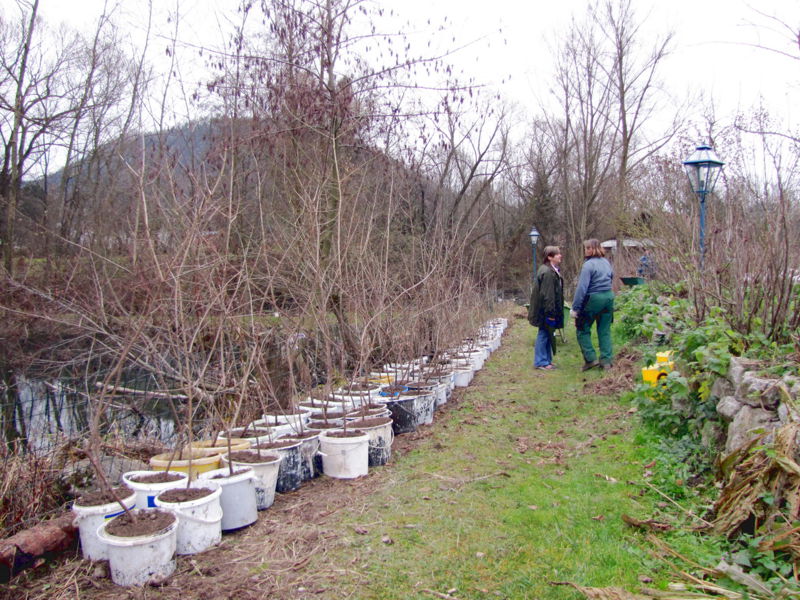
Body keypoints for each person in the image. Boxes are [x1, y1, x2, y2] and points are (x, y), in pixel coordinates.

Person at [570, 238, 614, 371]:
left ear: (590, 249)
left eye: (586, 248)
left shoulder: (588, 265)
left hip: (594, 298)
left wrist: (575, 308)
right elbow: (611, 277)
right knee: (604, 330)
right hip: (608, 297)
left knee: (582, 328)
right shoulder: (606, 262)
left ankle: (590, 359)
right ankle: (606, 361)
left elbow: (582, 288)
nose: (585, 250)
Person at [527, 246, 564, 370]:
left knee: (548, 334)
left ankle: (546, 360)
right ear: (550, 257)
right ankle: (541, 362)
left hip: (546, 310)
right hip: (545, 311)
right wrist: (550, 312)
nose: (560, 256)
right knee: (544, 334)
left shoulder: (549, 270)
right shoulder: (547, 273)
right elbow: (547, 295)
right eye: (557, 254)